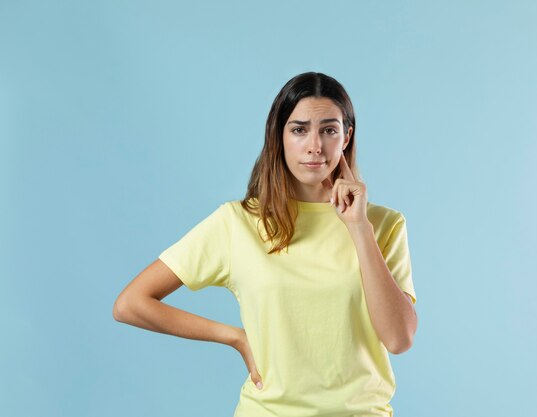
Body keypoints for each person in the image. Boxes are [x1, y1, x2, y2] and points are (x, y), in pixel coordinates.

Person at [113, 71, 418, 416]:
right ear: (280, 136)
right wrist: (235, 337)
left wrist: (359, 227)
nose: (315, 145)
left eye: (329, 130)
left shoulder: (384, 225)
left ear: (346, 137)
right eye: (299, 129)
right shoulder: (237, 222)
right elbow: (130, 304)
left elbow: (399, 339)